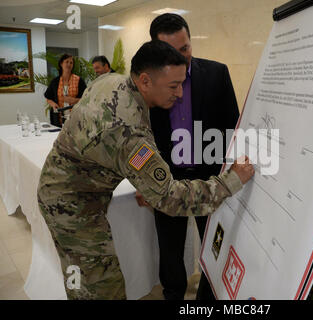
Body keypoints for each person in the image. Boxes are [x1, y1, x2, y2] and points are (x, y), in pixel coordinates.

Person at [37, 40, 254, 300]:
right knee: (102, 287)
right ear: (145, 81)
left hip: (69, 188)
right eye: (174, 86)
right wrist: (231, 181)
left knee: (83, 281)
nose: (181, 94)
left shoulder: (111, 81)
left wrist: (144, 181)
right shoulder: (128, 133)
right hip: (70, 204)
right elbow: (171, 198)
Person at [135, 13, 240, 300]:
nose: (181, 59)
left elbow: (232, 127)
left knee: (213, 247)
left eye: (185, 49)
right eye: (171, 53)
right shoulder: (146, 85)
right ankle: (174, 294)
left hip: (210, 179)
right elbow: (140, 137)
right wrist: (142, 181)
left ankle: (207, 298)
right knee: (170, 249)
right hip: (165, 180)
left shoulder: (216, 74)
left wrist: (232, 175)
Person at [44, 54, 87, 127]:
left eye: (71, 63)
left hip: (76, 119)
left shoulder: (79, 80)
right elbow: (48, 98)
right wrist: (53, 105)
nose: (69, 64)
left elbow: (86, 99)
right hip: (58, 119)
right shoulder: (55, 81)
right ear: (61, 64)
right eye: (66, 62)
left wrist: (74, 100)